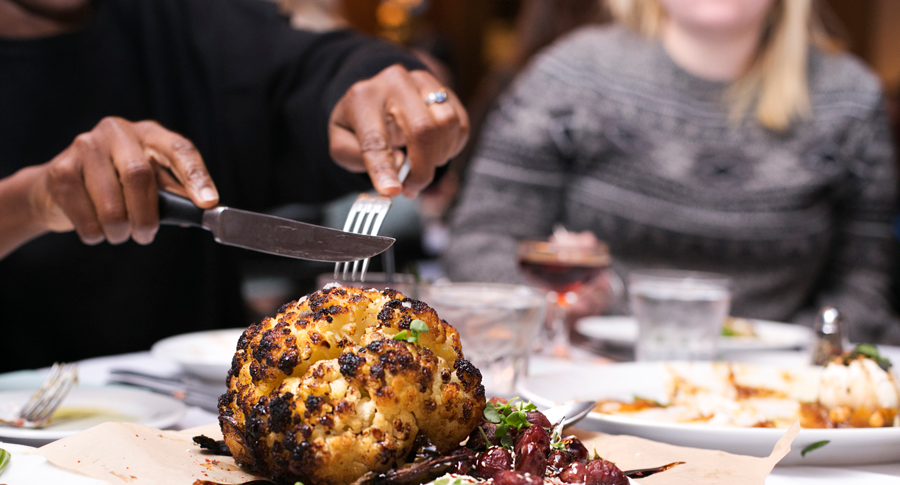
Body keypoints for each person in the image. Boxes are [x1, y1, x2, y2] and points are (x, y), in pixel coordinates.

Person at [0, 0, 468, 370]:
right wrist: (31, 202)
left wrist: (384, 91)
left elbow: (312, 65)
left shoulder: (184, 19)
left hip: (194, 429)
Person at [443, 0, 900, 344]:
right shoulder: (571, 75)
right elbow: (478, 244)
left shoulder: (851, 99)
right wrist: (555, 305)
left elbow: (867, 283)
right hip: (592, 369)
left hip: (778, 387)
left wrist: (792, 362)